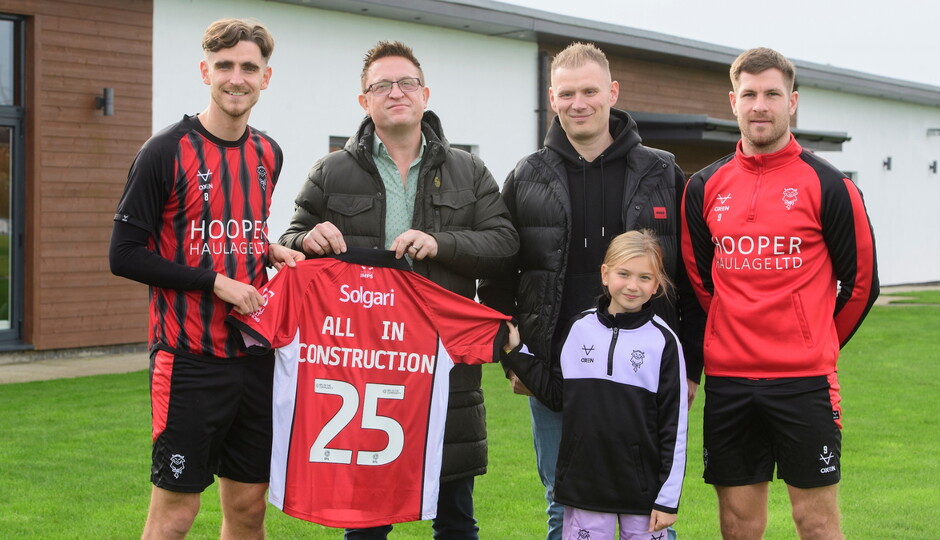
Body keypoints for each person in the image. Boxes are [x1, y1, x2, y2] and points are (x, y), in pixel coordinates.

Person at [276, 40, 518, 539]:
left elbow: (505, 243)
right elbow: (288, 244)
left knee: (455, 520)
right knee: (364, 524)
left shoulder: (468, 172)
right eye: (381, 85)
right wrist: (306, 238)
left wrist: (440, 242)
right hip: (363, 372)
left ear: (425, 93)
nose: (395, 92)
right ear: (364, 102)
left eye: (406, 82)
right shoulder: (331, 170)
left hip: (440, 363)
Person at [478, 42, 704, 540]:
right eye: (566, 93)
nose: (578, 103)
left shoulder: (661, 171)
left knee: (647, 509)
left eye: (589, 91)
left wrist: (690, 363)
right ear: (552, 99)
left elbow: (690, 276)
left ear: (612, 93)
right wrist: (515, 357)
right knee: (564, 506)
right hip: (557, 369)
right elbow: (498, 275)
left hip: (642, 375)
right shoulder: (527, 175)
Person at [108, 18, 303, 539]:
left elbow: (233, 230)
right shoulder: (164, 151)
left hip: (256, 357)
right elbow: (124, 255)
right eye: (224, 66)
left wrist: (269, 250)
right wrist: (213, 282)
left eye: (248, 67)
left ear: (266, 77)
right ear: (204, 71)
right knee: (175, 515)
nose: (235, 78)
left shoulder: (269, 153)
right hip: (188, 361)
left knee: (248, 511)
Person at [680, 47, 879, 540]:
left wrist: (815, 342)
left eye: (772, 94)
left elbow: (861, 286)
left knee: (815, 523)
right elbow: (701, 283)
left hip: (804, 381)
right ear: (733, 102)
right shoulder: (703, 187)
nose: (760, 105)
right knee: (737, 525)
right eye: (749, 94)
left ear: (793, 101)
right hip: (729, 380)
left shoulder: (830, 185)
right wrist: (735, 331)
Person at [501, 230, 688, 540]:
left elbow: (675, 426)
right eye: (624, 274)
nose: (632, 285)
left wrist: (667, 500)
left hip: (643, 492)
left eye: (644, 277)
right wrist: (518, 352)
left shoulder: (664, 342)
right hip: (586, 484)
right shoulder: (579, 329)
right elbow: (558, 395)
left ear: (656, 285)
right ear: (605, 274)